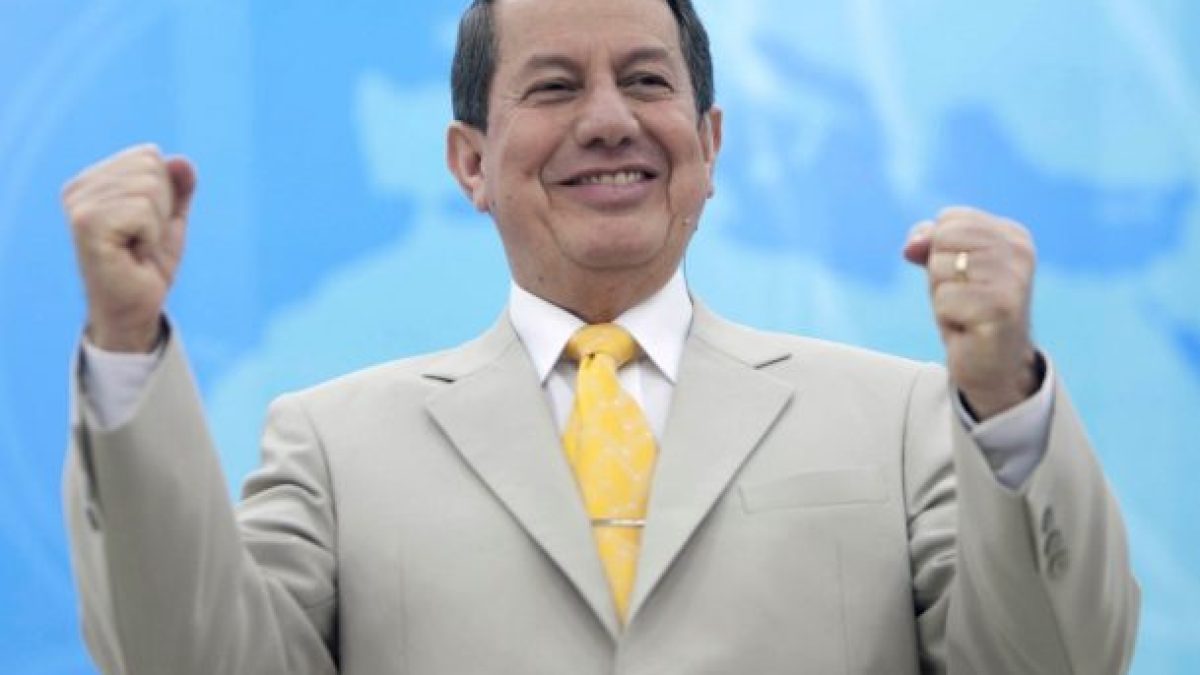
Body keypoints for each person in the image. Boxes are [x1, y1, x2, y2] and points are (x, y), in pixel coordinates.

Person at [60, 0, 1139, 672]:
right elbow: (185, 658)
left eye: (647, 80)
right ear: (470, 163)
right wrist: (125, 339)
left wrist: (1005, 400)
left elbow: (1060, 662)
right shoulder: (333, 446)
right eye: (555, 87)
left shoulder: (902, 419)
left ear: (708, 145)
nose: (611, 118)